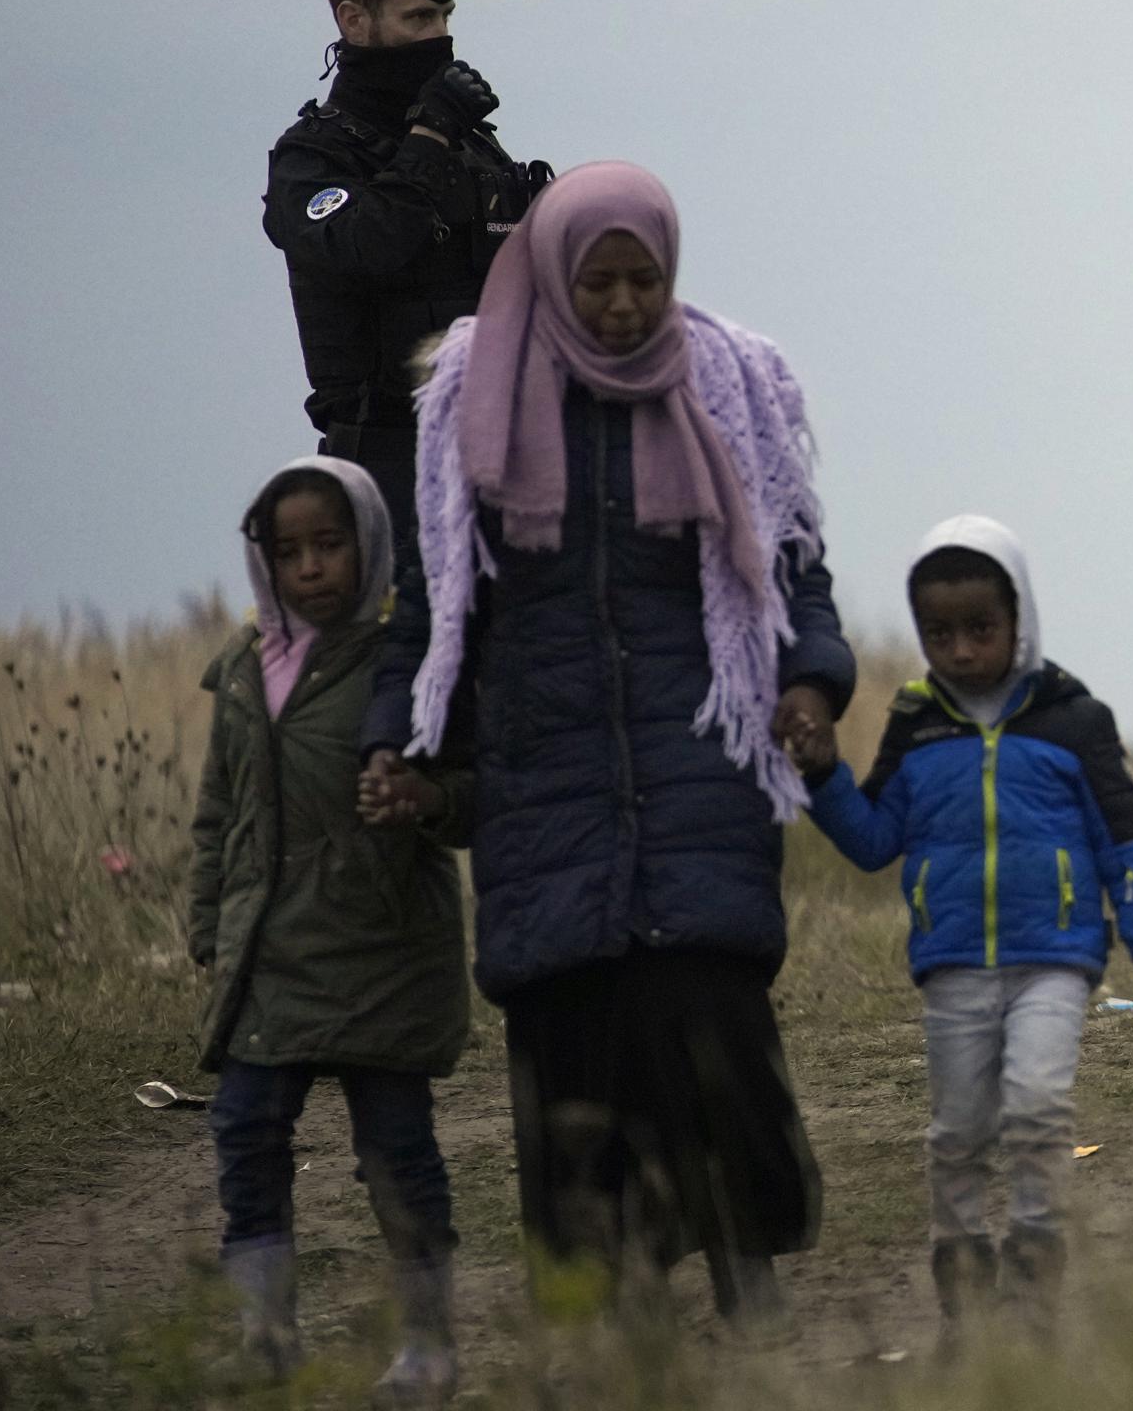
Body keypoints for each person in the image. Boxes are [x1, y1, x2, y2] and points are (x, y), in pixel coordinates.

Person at [358, 161, 854, 1322]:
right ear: (554, 274)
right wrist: (401, 740)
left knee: (710, 1016)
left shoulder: (729, 386)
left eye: (646, 280)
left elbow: (794, 570)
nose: (627, 305)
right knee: (576, 1033)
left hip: (698, 761)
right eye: (601, 282)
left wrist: (812, 684)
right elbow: (437, 602)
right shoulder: (476, 396)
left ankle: (750, 1285)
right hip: (551, 770)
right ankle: (626, 1317)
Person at [784, 516, 1133, 1352]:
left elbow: (1128, 841)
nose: (960, 651)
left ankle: (1035, 1284)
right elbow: (871, 842)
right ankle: (964, 1292)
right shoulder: (917, 724)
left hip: (1058, 961)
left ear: (1019, 619)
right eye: (938, 634)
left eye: (980, 630)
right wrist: (820, 773)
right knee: (959, 1131)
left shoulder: (1074, 720)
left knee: (1038, 1109)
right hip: (954, 965)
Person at [187, 455, 469, 1400]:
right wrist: (207, 927)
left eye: (330, 545)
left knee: (395, 1149)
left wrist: (424, 797)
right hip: (268, 952)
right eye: (290, 550)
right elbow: (219, 812)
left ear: (369, 544)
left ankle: (429, 1345)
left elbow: (472, 795)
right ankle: (264, 1332)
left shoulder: (406, 659)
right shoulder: (239, 668)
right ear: (263, 559)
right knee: (247, 1134)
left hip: (382, 946)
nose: (310, 568)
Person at [266, 0, 548, 539]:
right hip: (384, 464)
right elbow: (367, 245)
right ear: (354, 21)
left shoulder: (474, 147)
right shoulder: (315, 157)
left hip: (501, 455)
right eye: (418, 18)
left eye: (445, 17)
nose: (438, 37)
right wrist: (432, 134)